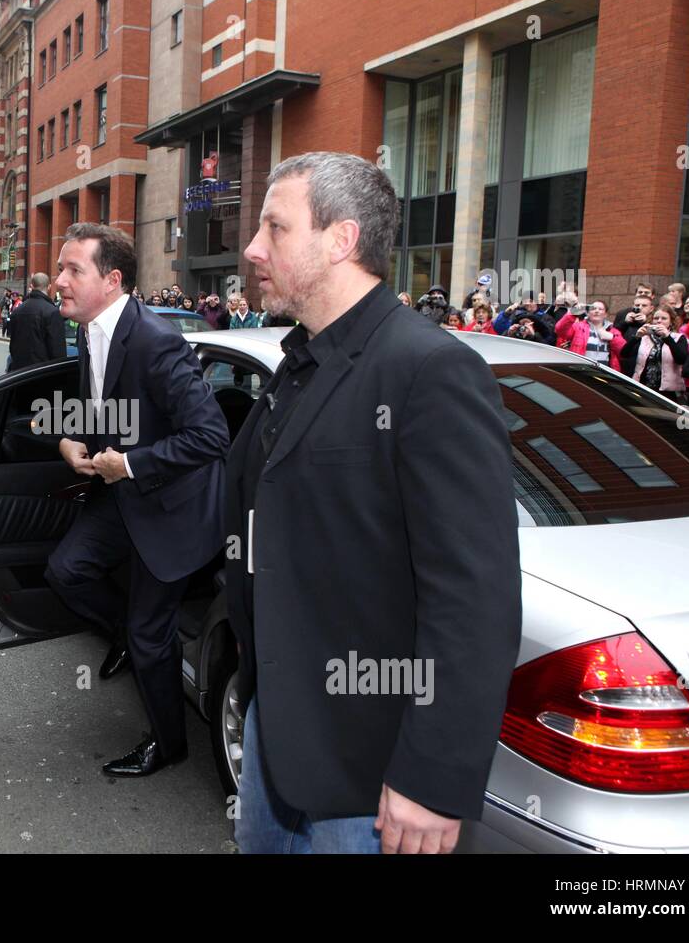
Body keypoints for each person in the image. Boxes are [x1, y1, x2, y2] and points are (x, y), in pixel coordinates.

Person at [229, 152, 521, 854]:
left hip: (371, 778)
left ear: (340, 240)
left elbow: (473, 597)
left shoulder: (429, 370)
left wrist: (432, 777)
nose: (252, 248)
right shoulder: (297, 362)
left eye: (276, 227)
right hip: (278, 734)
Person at [45, 223, 229, 777]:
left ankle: (168, 744)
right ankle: (123, 631)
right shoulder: (90, 331)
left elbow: (211, 435)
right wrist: (68, 436)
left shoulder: (155, 339)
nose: (59, 281)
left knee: (153, 637)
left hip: (171, 507)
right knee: (64, 571)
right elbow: (108, 412)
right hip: (123, 494)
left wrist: (127, 463)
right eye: (60, 268)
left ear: (112, 279)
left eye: (73, 270)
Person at [621, 303, 689, 404]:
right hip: (643, 388)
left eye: (664, 318)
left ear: (671, 321)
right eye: (656, 318)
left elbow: (681, 359)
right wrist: (636, 337)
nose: (659, 321)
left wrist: (667, 337)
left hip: (668, 392)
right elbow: (624, 354)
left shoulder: (678, 338)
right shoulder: (644, 337)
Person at [8, 271, 67, 371]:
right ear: (49, 287)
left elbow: (13, 346)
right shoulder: (52, 312)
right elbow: (58, 353)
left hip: (18, 375)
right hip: (41, 375)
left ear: (32, 286)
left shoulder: (17, 311)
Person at [554, 300, 624, 370]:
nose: (596, 311)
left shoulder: (613, 331)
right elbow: (559, 329)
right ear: (587, 313)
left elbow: (624, 351)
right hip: (581, 371)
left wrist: (612, 337)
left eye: (600, 309)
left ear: (605, 314)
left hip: (604, 374)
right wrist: (573, 312)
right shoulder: (578, 327)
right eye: (593, 309)